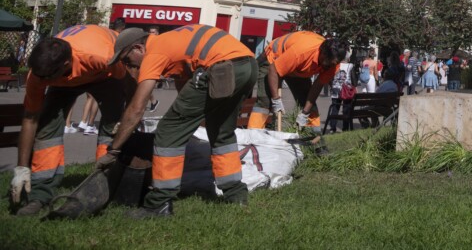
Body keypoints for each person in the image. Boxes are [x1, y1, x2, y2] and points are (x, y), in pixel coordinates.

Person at [105, 25, 257, 218]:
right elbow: (184, 82)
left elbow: (137, 107)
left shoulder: (155, 51)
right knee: (221, 131)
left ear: (139, 48)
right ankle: (236, 196)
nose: (130, 67)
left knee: (168, 131)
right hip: (247, 65)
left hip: (221, 67)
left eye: (127, 60)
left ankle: (157, 204)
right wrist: (185, 115)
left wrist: (114, 149)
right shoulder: (172, 42)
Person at [9, 25, 133, 216]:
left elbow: (126, 80)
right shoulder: (40, 75)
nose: (42, 81)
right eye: (40, 77)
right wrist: (21, 168)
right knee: (46, 129)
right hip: (64, 82)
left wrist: (128, 114)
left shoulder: (101, 56)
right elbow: (30, 119)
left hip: (105, 76)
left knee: (111, 127)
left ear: (67, 64)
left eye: (47, 77)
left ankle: (102, 184)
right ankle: (40, 194)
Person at [247, 31, 346, 130]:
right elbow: (273, 70)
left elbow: (317, 86)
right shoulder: (302, 52)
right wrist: (276, 99)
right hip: (274, 58)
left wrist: (305, 112)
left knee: (308, 103)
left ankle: (313, 140)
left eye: (334, 64)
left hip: (297, 69)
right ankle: (253, 135)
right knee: (265, 100)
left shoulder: (333, 63)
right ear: (323, 54)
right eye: (329, 63)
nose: (331, 66)